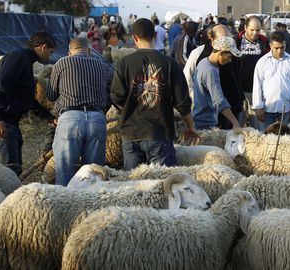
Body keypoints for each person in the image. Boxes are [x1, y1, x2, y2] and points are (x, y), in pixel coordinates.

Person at [111, 18, 198, 170]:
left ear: (134, 38)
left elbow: (117, 97)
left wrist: (129, 108)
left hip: (131, 133)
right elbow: (183, 102)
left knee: (133, 186)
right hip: (160, 134)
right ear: (155, 36)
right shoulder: (170, 63)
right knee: (162, 186)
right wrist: (191, 126)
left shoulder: (124, 63)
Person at [46, 38, 112, 186]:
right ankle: (93, 207)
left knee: (65, 173)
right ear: (89, 51)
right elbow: (115, 88)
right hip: (97, 118)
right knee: (94, 174)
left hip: (70, 119)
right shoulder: (102, 65)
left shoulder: (61, 63)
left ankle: (66, 205)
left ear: (69, 52)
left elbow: (50, 95)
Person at [0, 32, 56, 176]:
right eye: (50, 52)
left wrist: (50, 118)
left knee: (14, 168)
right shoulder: (17, 57)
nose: (50, 56)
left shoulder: (25, 61)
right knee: (8, 172)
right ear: (43, 47)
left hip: (12, 123)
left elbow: (27, 99)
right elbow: (0, 86)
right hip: (5, 123)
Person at [183, 24, 245, 128]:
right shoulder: (210, 70)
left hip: (203, 120)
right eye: (229, 57)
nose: (230, 60)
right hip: (206, 124)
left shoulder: (204, 62)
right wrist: (235, 122)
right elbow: (219, 101)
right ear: (221, 52)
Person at [252, 31, 290, 131]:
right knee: (266, 140)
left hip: (286, 109)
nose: (279, 51)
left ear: (285, 44)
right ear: (270, 45)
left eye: (282, 47)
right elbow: (257, 85)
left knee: (285, 140)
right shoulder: (262, 62)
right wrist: (258, 106)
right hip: (266, 109)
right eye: (276, 48)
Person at [236, 15, 270, 128]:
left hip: (257, 92)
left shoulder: (264, 43)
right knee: (237, 126)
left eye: (258, 30)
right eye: (252, 30)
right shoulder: (236, 41)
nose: (255, 33)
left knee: (258, 126)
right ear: (245, 27)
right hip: (239, 90)